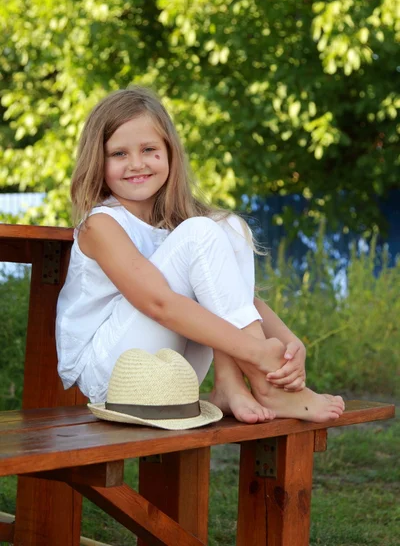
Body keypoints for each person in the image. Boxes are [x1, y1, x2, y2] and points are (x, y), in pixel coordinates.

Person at [56, 86, 345, 424]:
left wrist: (288, 342)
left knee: (229, 226)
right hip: (113, 372)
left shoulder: (175, 226)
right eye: (119, 154)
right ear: (98, 160)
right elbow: (158, 303)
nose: (136, 164)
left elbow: (236, 299)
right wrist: (257, 353)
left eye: (149, 149)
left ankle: (228, 382)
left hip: (172, 373)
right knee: (201, 231)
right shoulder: (101, 225)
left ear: (169, 153)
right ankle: (266, 386)